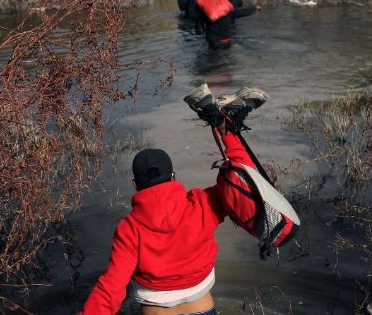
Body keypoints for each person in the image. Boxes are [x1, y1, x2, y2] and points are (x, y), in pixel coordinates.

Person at [77, 107, 260, 315]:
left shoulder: (129, 229)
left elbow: (111, 288)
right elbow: (242, 179)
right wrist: (226, 131)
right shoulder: (203, 204)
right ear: (174, 176)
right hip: (203, 308)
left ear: (135, 184)